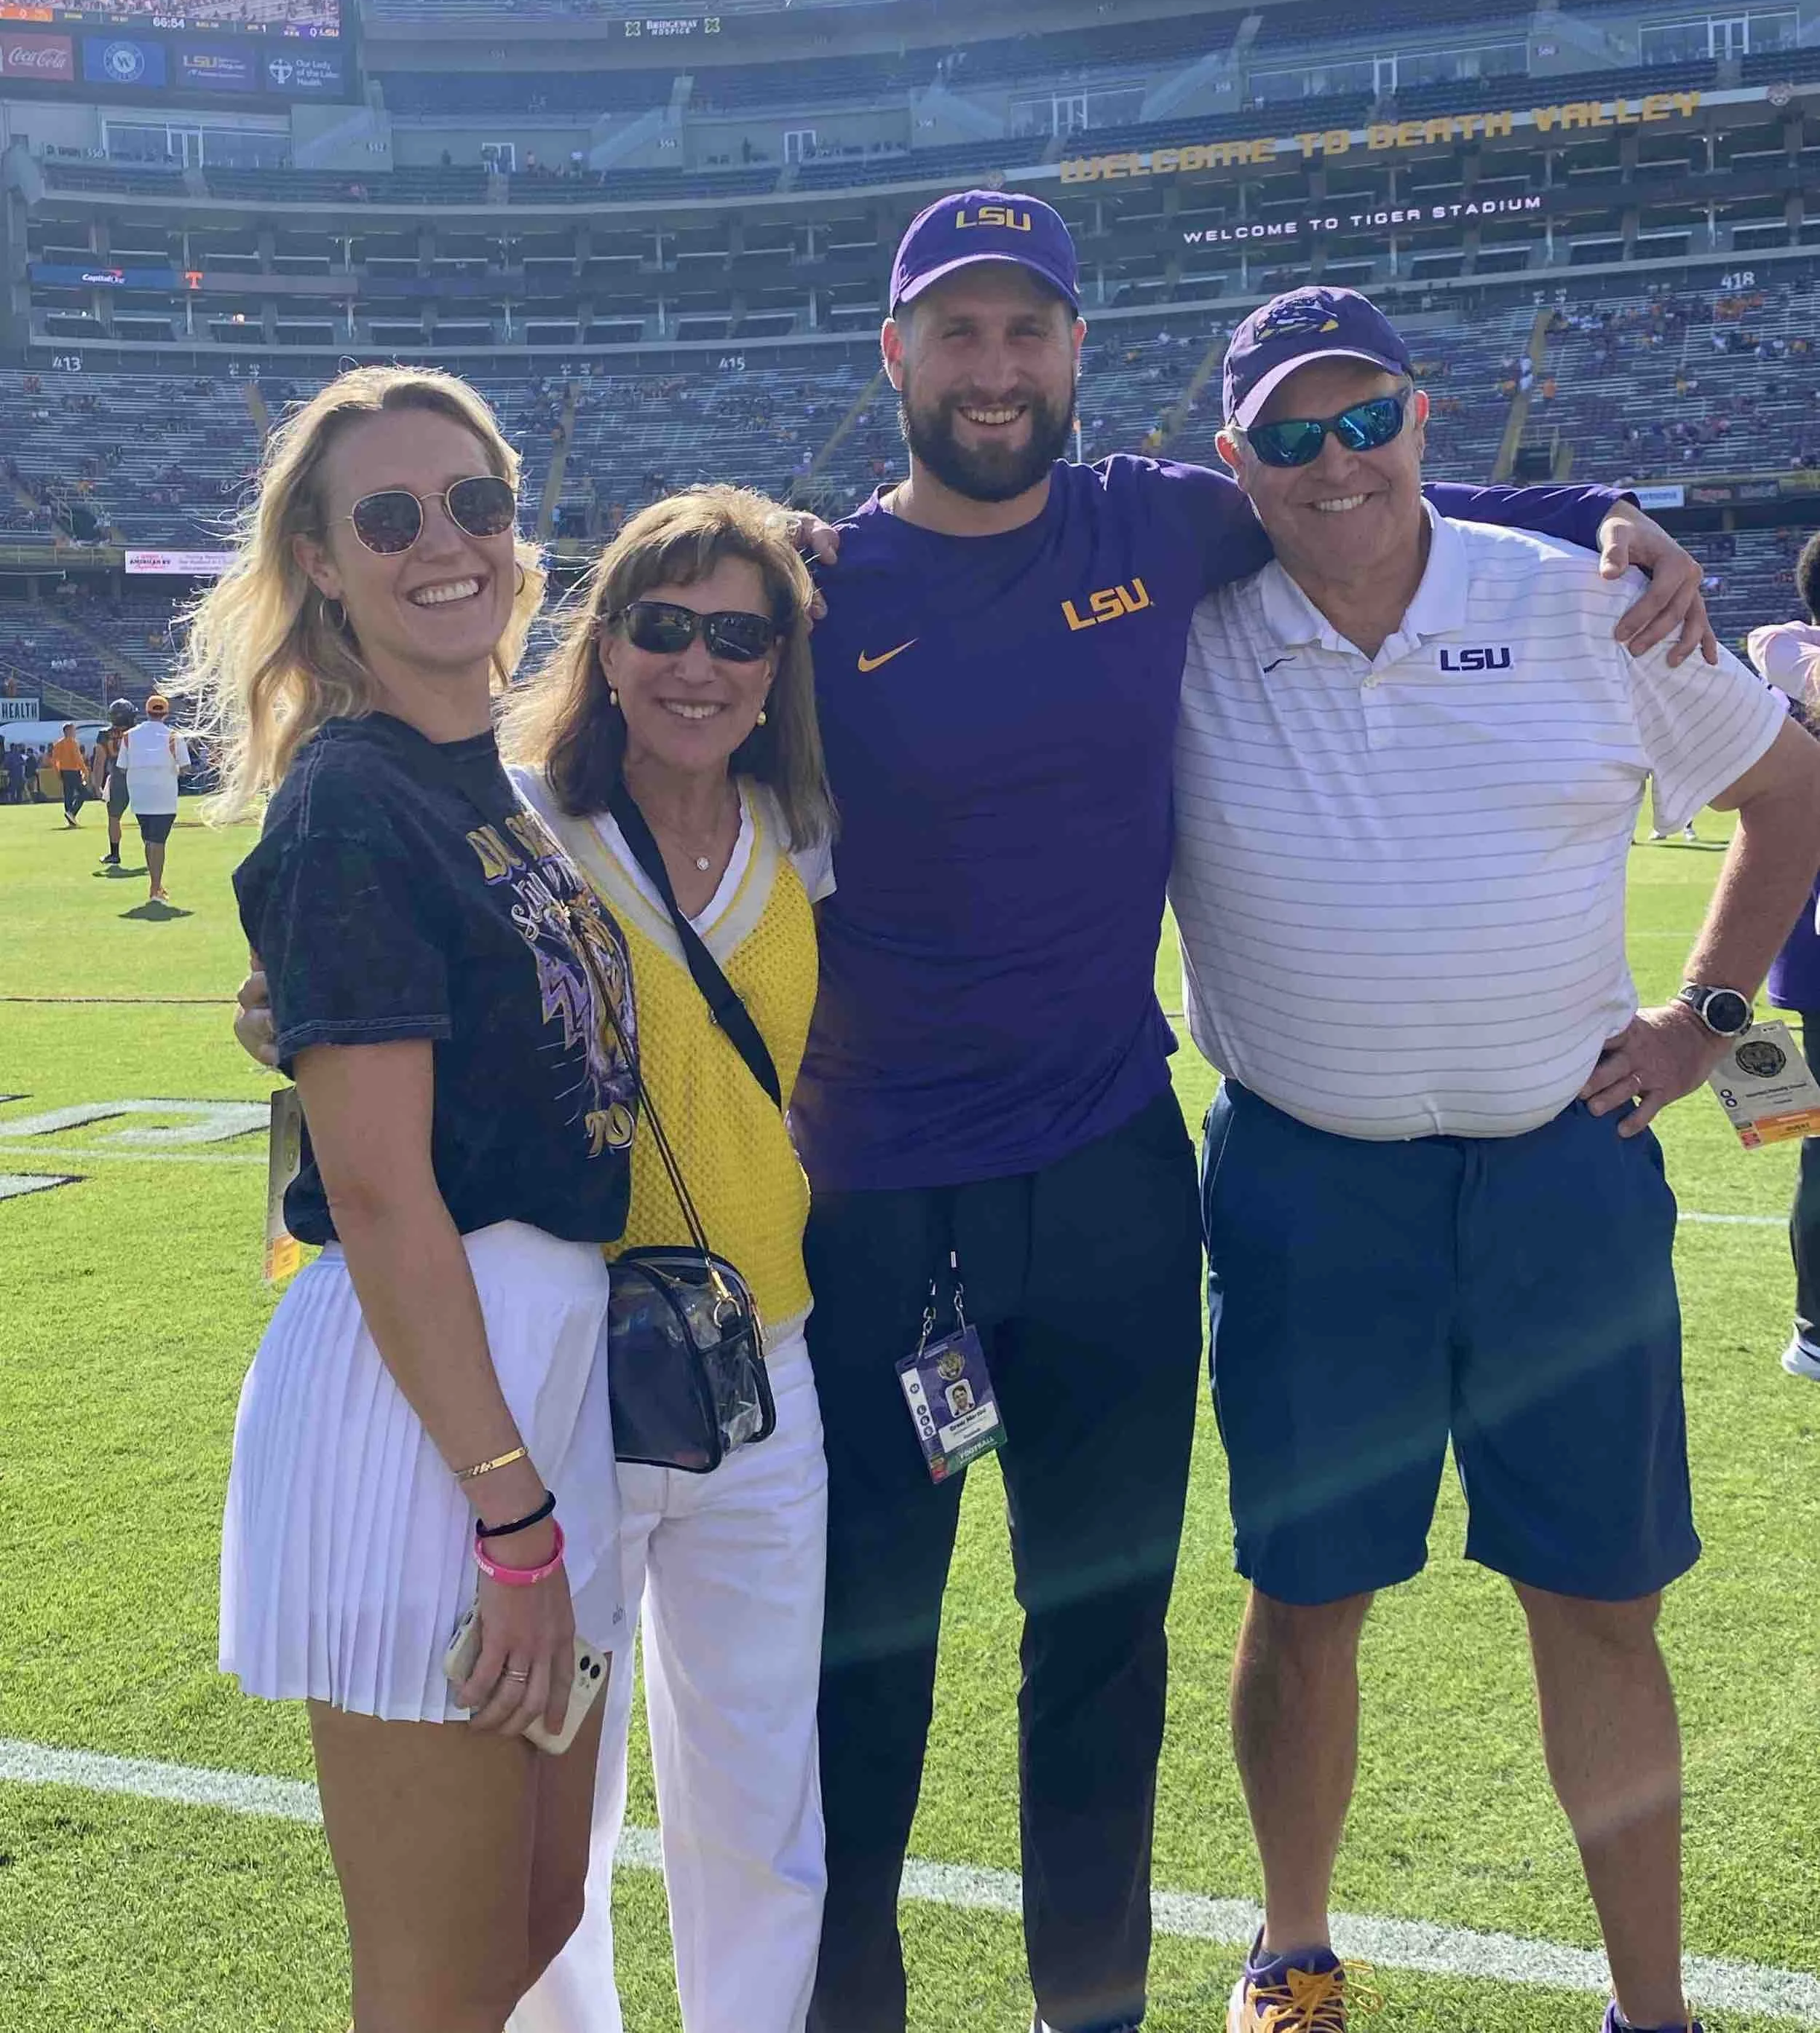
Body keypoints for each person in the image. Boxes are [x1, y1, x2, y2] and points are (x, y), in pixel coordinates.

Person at [790, 207, 1714, 2033]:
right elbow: (616, 729)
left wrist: (1603, 505)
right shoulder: (808, 574)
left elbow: (1381, 495)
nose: (992, 369)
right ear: (891, 355)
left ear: (1073, 355)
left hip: (1113, 1179)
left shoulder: (1155, 524)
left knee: (1102, 1644)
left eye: (1025, 332)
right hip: (882, 1199)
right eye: (954, 332)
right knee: (859, 1651)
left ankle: (1098, 2012)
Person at [1168, 287, 1820, 2033]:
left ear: (1422, 414)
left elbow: (1796, 796)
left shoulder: (1585, 604)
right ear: (1234, 461)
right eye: (1291, 434)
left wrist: (1710, 1018)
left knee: (1599, 1599)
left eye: (1364, 416)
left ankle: (1650, 2009)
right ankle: (1290, 1955)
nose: (1338, 461)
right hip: (1311, 1183)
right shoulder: (1181, 620)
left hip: (1564, 1176)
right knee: (1303, 1597)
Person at [175, 365, 642, 2033]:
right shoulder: (352, 800)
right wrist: (511, 1515)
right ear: (320, 559)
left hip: (541, 1390)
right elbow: (377, 1196)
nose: (444, 541)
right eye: (391, 516)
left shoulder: (502, 791)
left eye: (476, 504)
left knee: (539, 1915)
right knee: (439, 1986)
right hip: (431, 1419)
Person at [502, 484, 836, 2033]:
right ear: (608, 642)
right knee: (553, 1782)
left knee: (761, 1786)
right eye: (662, 627)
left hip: (763, 1362)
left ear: (777, 663)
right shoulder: (516, 818)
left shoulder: (803, 830)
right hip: (570, 1364)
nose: (697, 664)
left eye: (736, 633)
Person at [1746, 542, 1820, 1384]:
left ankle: (1813, 1326)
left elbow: (1770, 638)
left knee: (1811, 1145)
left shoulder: (1784, 661)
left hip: (1796, 944)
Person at [119, 694, 189, 903]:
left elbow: (122, 767)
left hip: (139, 794)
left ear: (146, 712)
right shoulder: (173, 736)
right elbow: (185, 766)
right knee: (158, 842)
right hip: (164, 794)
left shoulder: (129, 736)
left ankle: (156, 885)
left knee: (150, 841)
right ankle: (155, 888)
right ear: (166, 713)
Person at [90, 697, 135, 868]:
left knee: (114, 817)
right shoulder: (137, 732)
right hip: (139, 775)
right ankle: (153, 849)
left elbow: (99, 762)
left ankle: (115, 854)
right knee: (147, 816)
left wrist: (97, 784)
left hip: (118, 777)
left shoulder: (104, 735)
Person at [49, 720, 86, 825]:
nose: (75, 732)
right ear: (69, 731)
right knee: (84, 793)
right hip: (74, 771)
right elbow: (78, 758)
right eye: (73, 730)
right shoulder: (73, 742)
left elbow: (54, 760)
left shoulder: (58, 744)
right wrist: (85, 771)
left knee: (68, 795)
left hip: (64, 772)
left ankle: (70, 819)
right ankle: (72, 813)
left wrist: (58, 773)